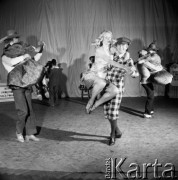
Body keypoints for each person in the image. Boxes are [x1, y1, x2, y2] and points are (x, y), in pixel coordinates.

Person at [0, 29, 44, 142]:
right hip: (16, 85)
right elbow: (12, 62)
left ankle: (30, 133)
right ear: (9, 42)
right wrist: (25, 55)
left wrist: (40, 48)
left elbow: (35, 58)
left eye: (17, 39)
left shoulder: (23, 53)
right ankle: (19, 132)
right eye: (15, 39)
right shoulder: (5, 56)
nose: (17, 41)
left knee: (30, 109)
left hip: (26, 82)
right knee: (23, 111)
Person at [94, 37, 139, 145]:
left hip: (117, 88)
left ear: (127, 47)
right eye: (120, 45)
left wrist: (132, 73)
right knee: (108, 113)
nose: (122, 48)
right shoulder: (110, 56)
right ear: (116, 46)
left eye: (125, 46)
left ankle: (112, 135)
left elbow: (135, 73)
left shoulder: (127, 60)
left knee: (113, 112)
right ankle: (117, 131)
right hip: (105, 87)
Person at [81, 31, 130, 114]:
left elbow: (123, 53)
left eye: (109, 37)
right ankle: (91, 100)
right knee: (101, 83)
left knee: (115, 91)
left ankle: (96, 105)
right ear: (102, 38)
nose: (108, 39)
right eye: (106, 37)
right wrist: (124, 67)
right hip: (94, 75)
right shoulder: (99, 50)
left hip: (104, 77)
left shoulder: (112, 49)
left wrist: (126, 54)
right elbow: (110, 61)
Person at [137, 41, 163, 118]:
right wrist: (160, 68)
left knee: (151, 95)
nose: (149, 53)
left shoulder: (144, 60)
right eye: (147, 52)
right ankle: (147, 113)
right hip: (145, 81)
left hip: (147, 80)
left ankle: (151, 110)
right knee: (151, 96)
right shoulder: (144, 61)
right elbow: (154, 68)